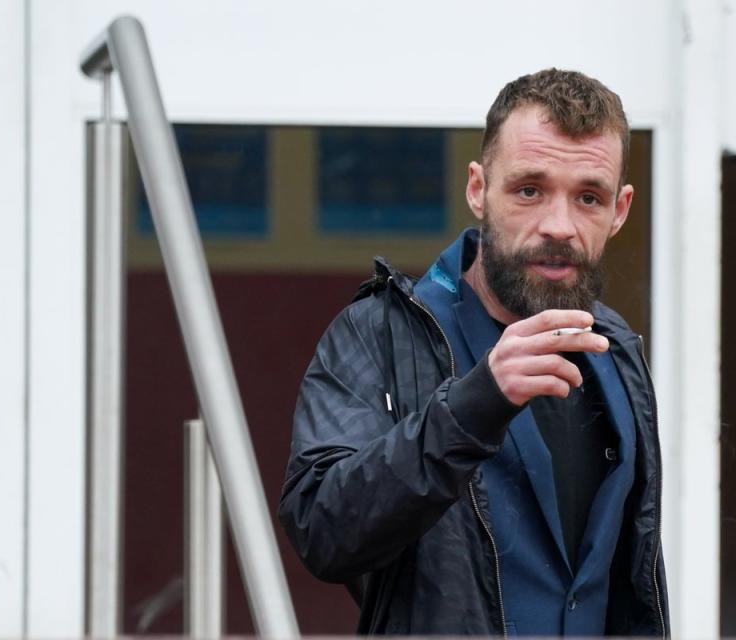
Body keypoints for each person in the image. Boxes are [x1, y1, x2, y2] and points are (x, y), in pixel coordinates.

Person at [279, 68, 669, 637]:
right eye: (529, 189)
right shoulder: (381, 333)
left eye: (589, 197)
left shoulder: (616, 350)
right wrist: (474, 405)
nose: (559, 225)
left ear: (620, 210)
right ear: (479, 189)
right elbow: (322, 530)